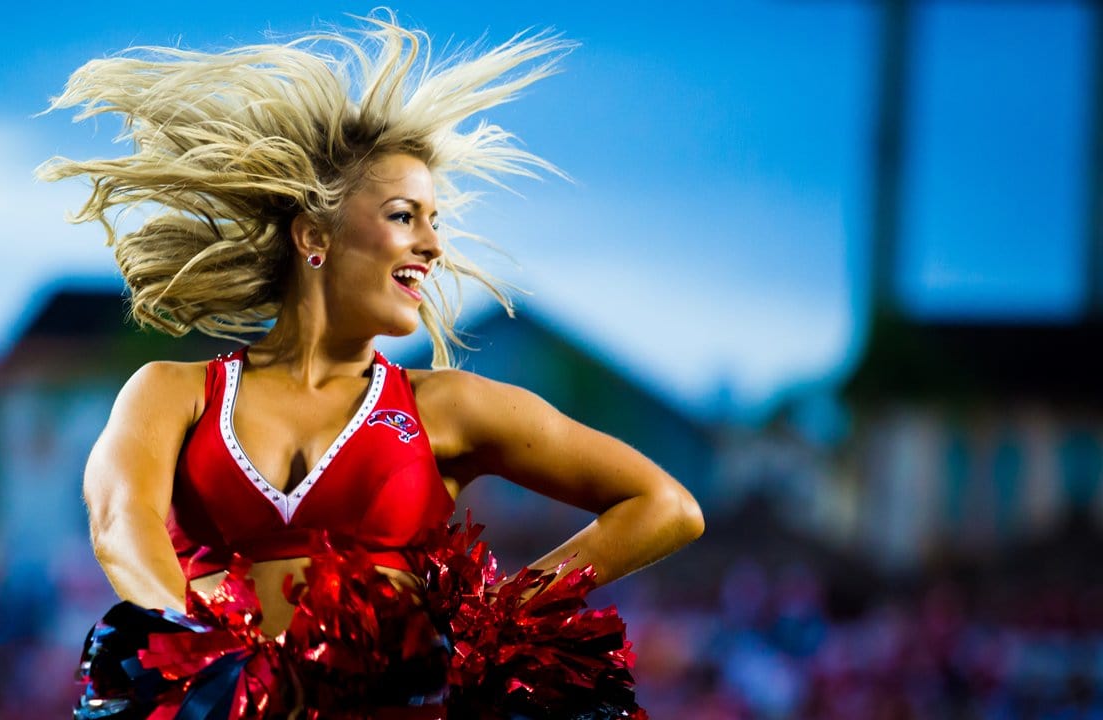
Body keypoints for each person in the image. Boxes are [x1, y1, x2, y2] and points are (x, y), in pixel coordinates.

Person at [41, 12, 703, 719]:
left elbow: (664, 507)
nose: (433, 245)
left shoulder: (445, 406)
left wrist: (495, 625)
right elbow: (120, 522)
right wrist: (204, 648)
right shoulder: (175, 392)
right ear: (314, 233)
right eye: (403, 215)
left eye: (435, 220)